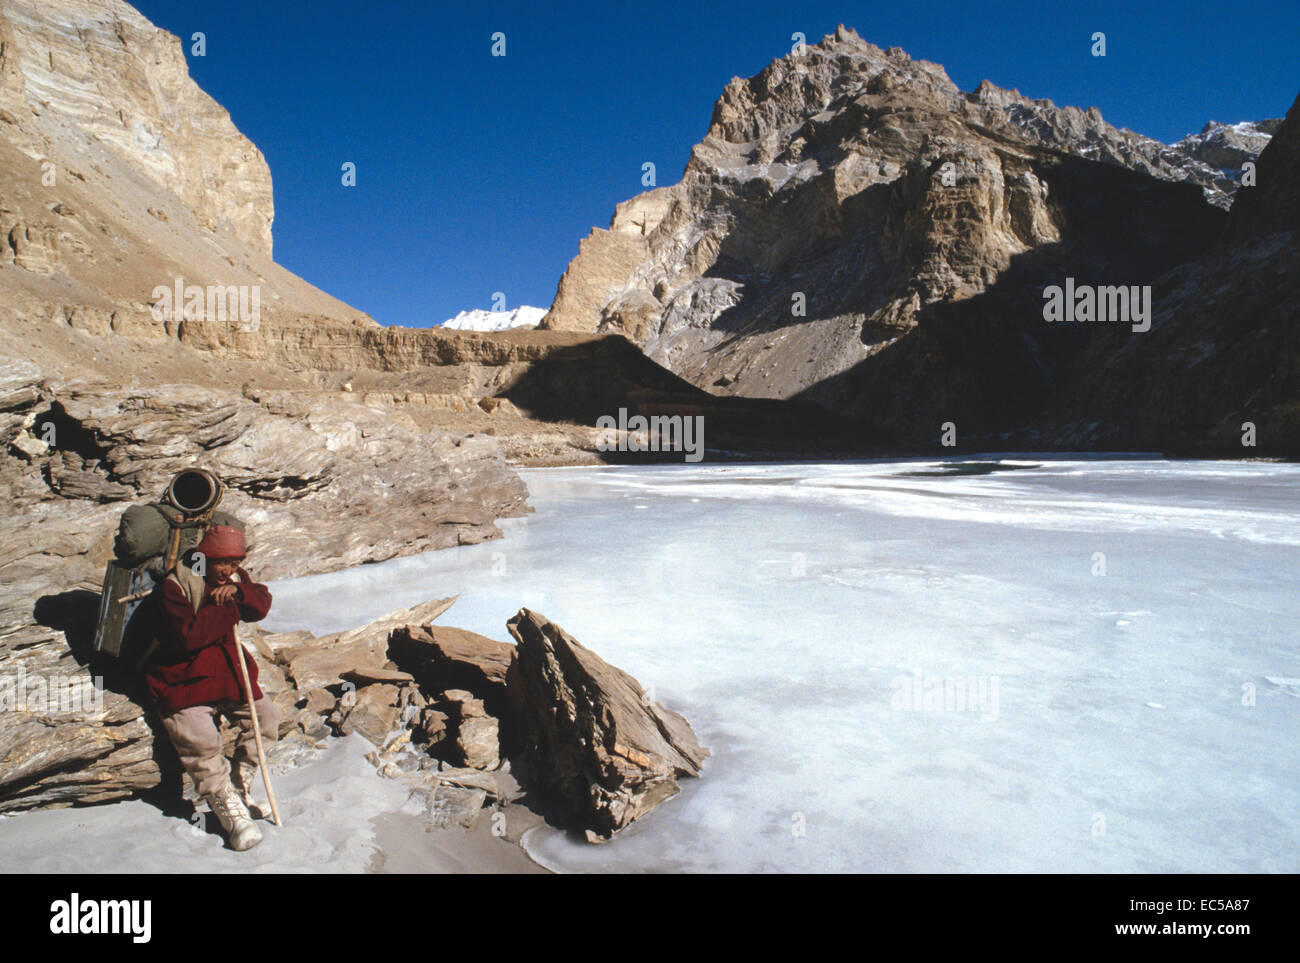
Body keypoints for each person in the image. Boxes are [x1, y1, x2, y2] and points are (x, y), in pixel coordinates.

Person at [144, 524, 279, 851]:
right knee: (202, 743)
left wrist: (239, 592)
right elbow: (188, 637)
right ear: (204, 556)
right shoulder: (176, 586)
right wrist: (229, 607)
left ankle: (238, 780)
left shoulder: (232, 579)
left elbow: (260, 604)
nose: (229, 570)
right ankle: (227, 807)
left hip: (228, 675)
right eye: (222, 563)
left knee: (267, 718)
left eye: (235, 563)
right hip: (183, 682)